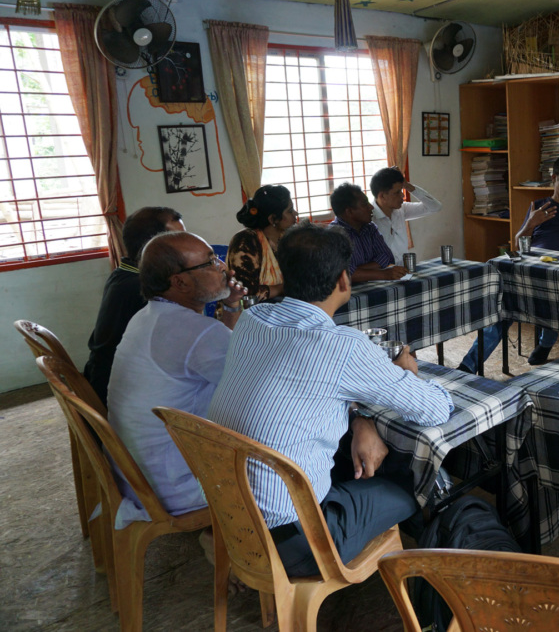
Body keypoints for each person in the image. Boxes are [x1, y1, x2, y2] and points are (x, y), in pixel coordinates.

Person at [208, 223, 453, 576]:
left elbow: (304, 390)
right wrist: (408, 373)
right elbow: (435, 408)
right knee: (415, 482)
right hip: (298, 541)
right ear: (343, 280)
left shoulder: (250, 319)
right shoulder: (343, 346)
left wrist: (360, 418)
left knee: (352, 459)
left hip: (233, 515)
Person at [106, 231, 246, 525]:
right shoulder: (198, 332)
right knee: (292, 446)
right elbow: (255, 388)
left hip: (136, 477)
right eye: (210, 262)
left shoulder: (150, 316)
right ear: (179, 282)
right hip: (178, 486)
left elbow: (225, 351)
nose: (223, 267)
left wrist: (231, 305)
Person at [458, 156, 559, 371]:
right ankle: (469, 365)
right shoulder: (539, 207)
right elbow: (519, 244)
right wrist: (531, 222)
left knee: (551, 301)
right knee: (502, 307)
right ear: (554, 177)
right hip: (530, 270)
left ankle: (545, 342)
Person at [84, 207, 184, 407]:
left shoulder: (124, 273)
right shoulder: (143, 288)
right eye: (178, 241)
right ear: (153, 246)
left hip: (102, 377)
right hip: (119, 393)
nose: (185, 247)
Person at [227, 184, 298, 302]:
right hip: (251, 314)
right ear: (273, 219)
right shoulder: (246, 241)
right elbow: (244, 294)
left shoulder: (288, 238)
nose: (295, 214)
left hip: (284, 308)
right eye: (290, 211)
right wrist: (282, 288)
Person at [330, 182, 407, 283]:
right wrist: (384, 274)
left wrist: (358, 271)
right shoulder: (333, 236)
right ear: (349, 212)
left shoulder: (370, 228)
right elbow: (343, 275)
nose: (371, 207)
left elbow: (387, 256)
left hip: (372, 285)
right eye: (364, 204)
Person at [370, 166, 443, 265]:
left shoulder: (401, 210)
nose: (402, 196)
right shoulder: (368, 218)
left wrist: (408, 186)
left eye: (401, 190)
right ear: (382, 196)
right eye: (397, 192)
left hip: (405, 272)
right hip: (382, 276)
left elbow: (435, 207)